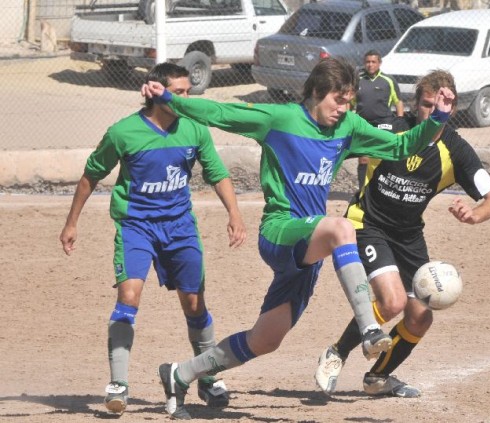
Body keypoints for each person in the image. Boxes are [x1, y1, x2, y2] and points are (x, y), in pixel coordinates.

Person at [141, 57, 455, 419]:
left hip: (311, 251)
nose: (344, 108)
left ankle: (180, 374)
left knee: (266, 339)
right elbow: (219, 113)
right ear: (316, 93)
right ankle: (370, 329)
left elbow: (401, 147)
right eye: (338, 99)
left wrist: (437, 119)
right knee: (342, 227)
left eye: (349, 100)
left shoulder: (348, 126)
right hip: (280, 231)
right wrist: (169, 98)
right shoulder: (280, 119)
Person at [59, 63, 246, 415]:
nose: (185, 98)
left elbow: (218, 174)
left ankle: (206, 376)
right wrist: (72, 223)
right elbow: (90, 176)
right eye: (179, 90)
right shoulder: (123, 132)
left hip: (180, 228)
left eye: (189, 91)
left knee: (194, 304)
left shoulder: (194, 129)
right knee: (129, 295)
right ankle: (118, 384)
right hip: (136, 227)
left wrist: (235, 214)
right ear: (156, 91)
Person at [314, 69, 490, 398]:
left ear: (452, 108)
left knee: (420, 316)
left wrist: (474, 215)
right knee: (392, 302)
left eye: (439, 105)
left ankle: (378, 377)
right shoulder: (390, 130)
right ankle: (337, 353)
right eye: (426, 104)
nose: (432, 112)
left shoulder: (455, 150)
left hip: (408, 235)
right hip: (367, 223)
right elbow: (338, 141)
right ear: (414, 105)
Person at [355, 50, 405, 188]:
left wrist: (400, 121)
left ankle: (384, 189)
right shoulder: (357, 80)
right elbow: (349, 102)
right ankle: (363, 190)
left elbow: (398, 102)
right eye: (367, 62)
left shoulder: (388, 80)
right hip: (363, 124)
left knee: (383, 158)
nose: (370, 65)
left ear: (379, 63)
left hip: (384, 123)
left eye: (373, 62)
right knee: (364, 158)